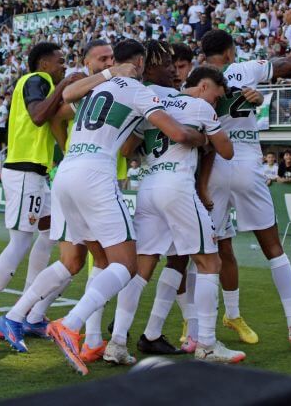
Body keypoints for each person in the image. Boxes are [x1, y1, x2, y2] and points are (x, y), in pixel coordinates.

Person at [43, 39, 205, 375]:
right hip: (97, 176)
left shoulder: (102, 83)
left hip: (67, 173)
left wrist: (107, 73)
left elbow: (67, 99)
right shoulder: (139, 90)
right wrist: (202, 137)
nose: (173, 71)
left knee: (101, 261)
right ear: (143, 64)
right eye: (166, 64)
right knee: (126, 265)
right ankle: (70, 324)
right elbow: (176, 133)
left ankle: (95, 341)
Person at [0, 40, 137, 360]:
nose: (107, 62)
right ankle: (84, 335)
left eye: (111, 58)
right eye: (101, 58)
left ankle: (20, 317)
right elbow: (54, 117)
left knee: (77, 261)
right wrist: (66, 149)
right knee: (112, 261)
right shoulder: (86, 86)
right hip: (91, 179)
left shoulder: (100, 86)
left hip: (84, 178)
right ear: (86, 62)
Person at [102, 65, 244, 365]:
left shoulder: (154, 102)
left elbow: (128, 148)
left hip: (148, 186)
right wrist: (204, 138)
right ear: (205, 86)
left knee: (141, 268)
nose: (215, 103)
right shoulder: (199, 107)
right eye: (216, 97)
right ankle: (206, 343)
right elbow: (227, 151)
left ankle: (116, 343)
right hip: (177, 185)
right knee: (209, 261)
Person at [201, 18, 291, 349]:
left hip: (212, 167)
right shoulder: (246, 69)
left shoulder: (198, 80)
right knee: (272, 247)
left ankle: (199, 330)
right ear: (229, 51)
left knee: (212, 251)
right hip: (247, 161)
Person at [0, 42, 75, 337]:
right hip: (25, 170)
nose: (64, 67)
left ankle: (29, 308)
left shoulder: (39, 83)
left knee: (50, 230)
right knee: (20, 241)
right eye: (60, 62)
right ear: (43, 63)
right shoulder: (35, 80)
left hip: (36, 173)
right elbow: (39, 115)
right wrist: (65, 84)